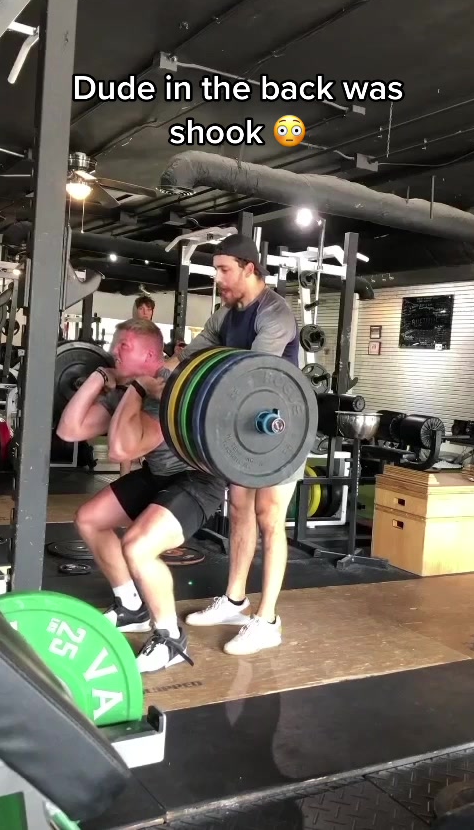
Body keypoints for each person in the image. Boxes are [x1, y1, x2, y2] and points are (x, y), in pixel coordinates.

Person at [56, 318, 225, 674]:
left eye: (124, 346)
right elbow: (69, 430)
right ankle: (131, 607)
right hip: (158, 476)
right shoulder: (129, 387)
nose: (113, 351)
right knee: (89, 519)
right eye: (115, 344)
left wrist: (135, 388)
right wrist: (99, 377)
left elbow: (121, 450)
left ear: (149, 354)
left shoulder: (169, 388)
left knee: (137, 547)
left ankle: (170, 637)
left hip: (197, 481)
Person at [161, 233, 301, 656]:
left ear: (248, 268)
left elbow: (250, 372)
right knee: (239, 508)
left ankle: (268, 620)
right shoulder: (225, 314)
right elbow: (191, 355)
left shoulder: (274, 313)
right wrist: (153, 371)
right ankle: (235, 600)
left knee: (269, 516)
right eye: (216, 270)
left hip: (281, 429)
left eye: (224, 270)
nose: (218, 278)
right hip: (243, 427)